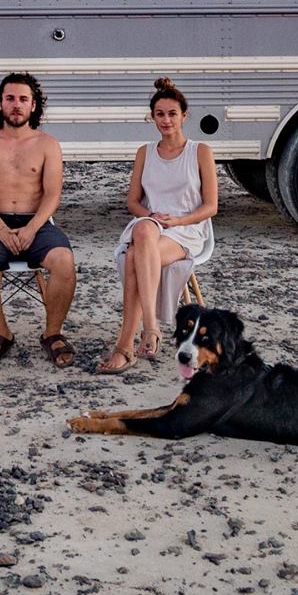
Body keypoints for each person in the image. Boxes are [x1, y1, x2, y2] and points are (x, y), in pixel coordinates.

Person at [95, 77, 217, 374]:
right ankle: (151, 326)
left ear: (184, 116)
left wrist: (178, 220)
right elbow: (133, 202)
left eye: (172, 114)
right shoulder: (145, 152)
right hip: (153, 225)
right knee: (143, 228)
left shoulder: (199, 151)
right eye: (160, 114)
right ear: (152, 117)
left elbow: (210, 207)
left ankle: (127, 345)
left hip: (186, 229)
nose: (166, 120)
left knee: (136, 255)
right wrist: (152, 215)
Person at [0, 72, 78, 368]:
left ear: (34, 106)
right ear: (0, 103)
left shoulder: (47, 144)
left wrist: (31, 228)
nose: (17, 105)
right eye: (10, 98)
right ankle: (1, 332)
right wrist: (0, 229)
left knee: (64, 260)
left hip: (37, 223)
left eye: (23, 99)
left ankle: (53, 333)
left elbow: (53, 195)